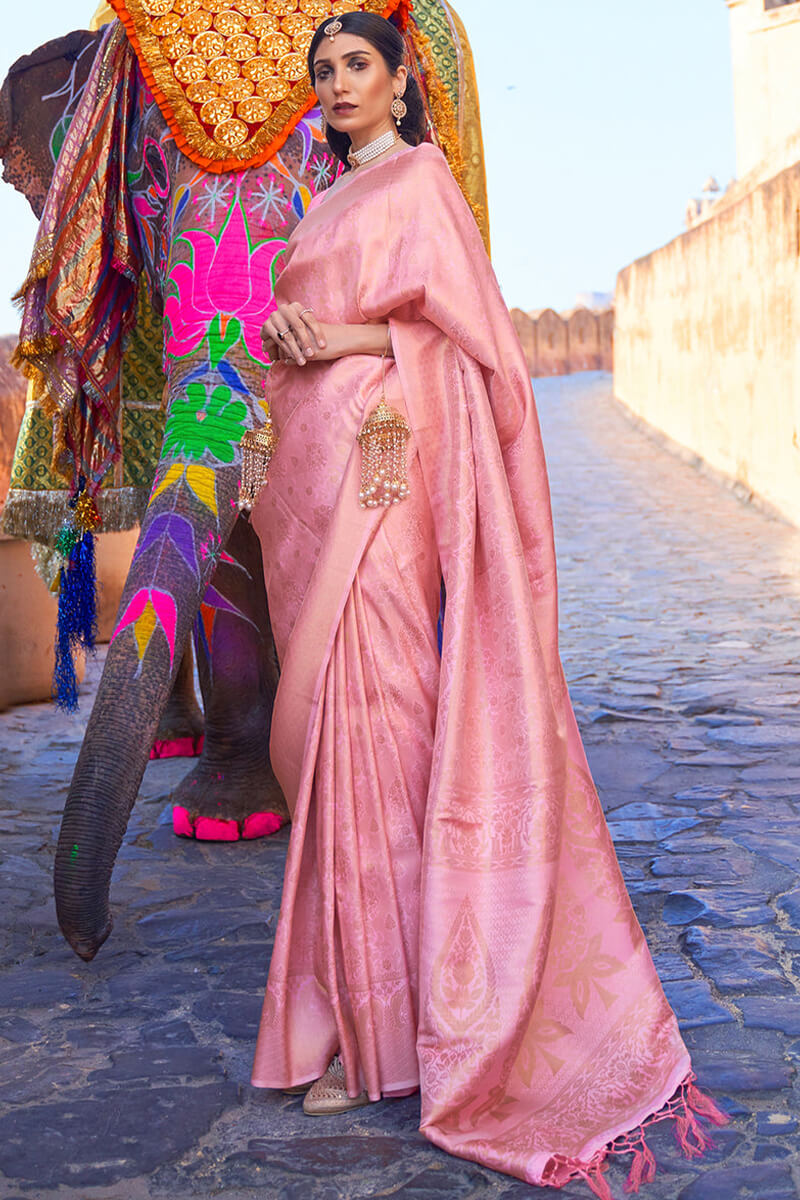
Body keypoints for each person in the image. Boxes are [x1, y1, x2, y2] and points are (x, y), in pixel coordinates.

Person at [247, 11, 727, 1197]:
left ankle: (404, 1034)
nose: (337, 83)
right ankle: (367, 1016)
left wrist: (347, 335)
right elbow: (316, 346)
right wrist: (290, 337)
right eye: (322, 69)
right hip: (317, 490)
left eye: (357, 64)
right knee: (336, 749)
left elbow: (476, 358)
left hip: (387, 487)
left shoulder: (418, 187)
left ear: (402, 81)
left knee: (387, 728)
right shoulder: (319, 207)